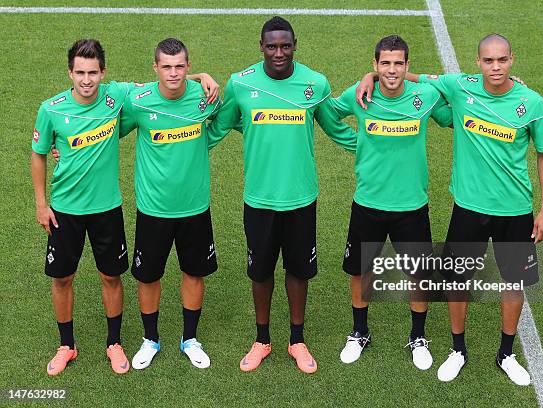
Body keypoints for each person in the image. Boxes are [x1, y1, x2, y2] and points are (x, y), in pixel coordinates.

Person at [357, 33, 543, 386]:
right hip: (468, 208)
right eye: (489, 61)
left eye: (502, 60)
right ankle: (458, 350)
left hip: (515, 210)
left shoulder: (533, 102)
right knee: (457, 280)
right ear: (478, 63)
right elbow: (416, 77)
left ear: (512, 60)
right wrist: (370, 76)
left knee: (514, 284)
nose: (496, 67)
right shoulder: (460, 86)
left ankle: (506, 354)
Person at [207, 16, 355, 374]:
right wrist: (178, 145)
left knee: (298, 271)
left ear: (294, 45)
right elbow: (216, 128)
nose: (278, 53)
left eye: (284, 45)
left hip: (301, 198)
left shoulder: (315, 83)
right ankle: (262, 339)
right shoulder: (240, 84)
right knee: (260, 272)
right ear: (261, 47)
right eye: (271, 46)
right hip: (258, 199)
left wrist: (378, 146)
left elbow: (337, 128)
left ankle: (297, 339)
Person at [329, 35, 452, 369]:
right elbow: (327, 113)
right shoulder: (360, 95)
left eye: (399, 63)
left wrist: (509, 86)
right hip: (368, 202)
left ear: (407, 66)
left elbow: (456, 114)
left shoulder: (425, 97)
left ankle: (417, 336)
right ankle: (359, 332)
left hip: (411, 206)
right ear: (375, 65)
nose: (392, 69)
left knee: (419, 275)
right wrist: (357, 145)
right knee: (361, 269)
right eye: (385, 63)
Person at [119, 38, 221, 370]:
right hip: (153, 209)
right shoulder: (139, 101)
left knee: (194, 273)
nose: (173, 73)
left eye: (180, 66)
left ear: (188, 66)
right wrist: (63, 147)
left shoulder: (205, 98)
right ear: (155, 69)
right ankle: (150, 339)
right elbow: (105, 128)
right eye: (166, 67)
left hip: (194, 208)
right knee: (148, 277)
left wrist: (202, 78)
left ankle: (189, 338)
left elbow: (235, 111)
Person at [32, 39, 131, 375]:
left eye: (93, 72)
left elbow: (164, 83)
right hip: (65, 211)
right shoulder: (51, 109)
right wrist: (41, 204)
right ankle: (66, 346)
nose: (86, 80)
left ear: (103, 72)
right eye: (80, 73)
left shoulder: (116, 96)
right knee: (62, 278)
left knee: (111, 276)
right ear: (69, 73)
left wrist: (201, 75)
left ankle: (114, 343)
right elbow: (39, 154)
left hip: (107, 208)